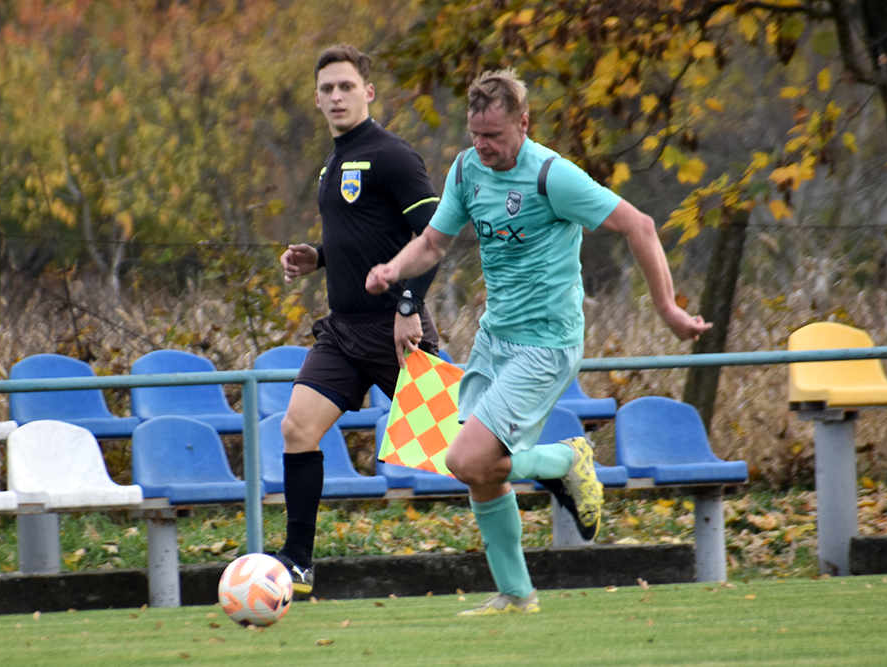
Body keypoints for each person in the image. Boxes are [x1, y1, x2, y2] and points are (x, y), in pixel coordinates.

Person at [366, 68, 711, 615]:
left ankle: (564, 459)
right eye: (475, 134)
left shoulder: (553, 176)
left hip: (546, 345)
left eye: (494, 135)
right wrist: (393, 269)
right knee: (481, 470)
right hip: (495, 338)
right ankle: (517, 595)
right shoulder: (466, 169)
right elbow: (431, 244)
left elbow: (640, 225)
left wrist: (668, 308)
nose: (482, 145)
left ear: (523, 124)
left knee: (464, 457)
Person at [275, 44, 441, 596]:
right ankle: (298, 560)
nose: (337, 96)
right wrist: (320, 257)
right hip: (343, 332)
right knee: (297, 428)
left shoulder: (392, 155)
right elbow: (366, 234)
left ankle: (559, 468)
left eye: (346, 86)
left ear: (368, 92)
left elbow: (433, 241)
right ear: (316, 98)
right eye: (327, 88)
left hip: (395, 330)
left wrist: (408, 308)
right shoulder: (332, 163)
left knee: (463, 453)